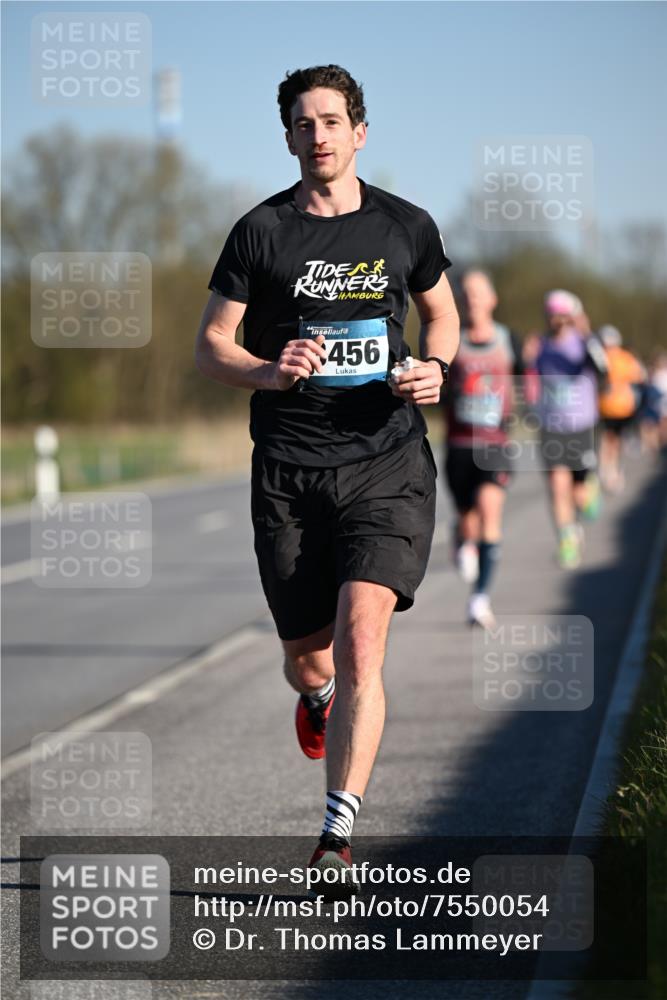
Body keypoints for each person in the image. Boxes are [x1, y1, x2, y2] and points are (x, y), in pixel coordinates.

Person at [195, 65, 459, 896]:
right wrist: (270, 372)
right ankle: (316, 702)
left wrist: (438, 366)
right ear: (287, 137)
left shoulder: (403, 225)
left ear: (359, 133)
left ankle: (336, 833)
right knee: (310, 660)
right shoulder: (259, 232)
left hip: (385, 461)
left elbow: (441, 312)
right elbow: (211, 346)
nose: (318, 136)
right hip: (288, 471)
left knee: (360, 638)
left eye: (332, 122)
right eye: (302, 124)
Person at [444, 270, 523, 629]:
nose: (472, 300)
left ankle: (479, 599)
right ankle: (461, 537)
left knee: (490, 512)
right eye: (467, 294)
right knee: (468, 519)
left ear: (493, 300)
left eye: (479, 294)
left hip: (495, 445)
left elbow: (527, 378)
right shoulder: (451, 341)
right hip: (459, 445)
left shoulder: (509, 341)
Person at [535, 290, 607, 569]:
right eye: (552, 315)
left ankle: (589, 487)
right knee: (556, 486)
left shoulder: (584, 344)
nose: (557, 320)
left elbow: (603, 370)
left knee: (578, 494)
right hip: (552, 427)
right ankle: (567, 539)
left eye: (562, 315)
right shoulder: (541, 346)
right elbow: (530, 378)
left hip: (582, 426)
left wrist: (588, 336)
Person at [597, 325, 646, 493]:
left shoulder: (601, 357)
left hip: (606, 406)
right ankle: (612, 472)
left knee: (607, 439)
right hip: (623, 407)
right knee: (615, 440)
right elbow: (639, 376)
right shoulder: (627, 357)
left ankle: (606, 470)